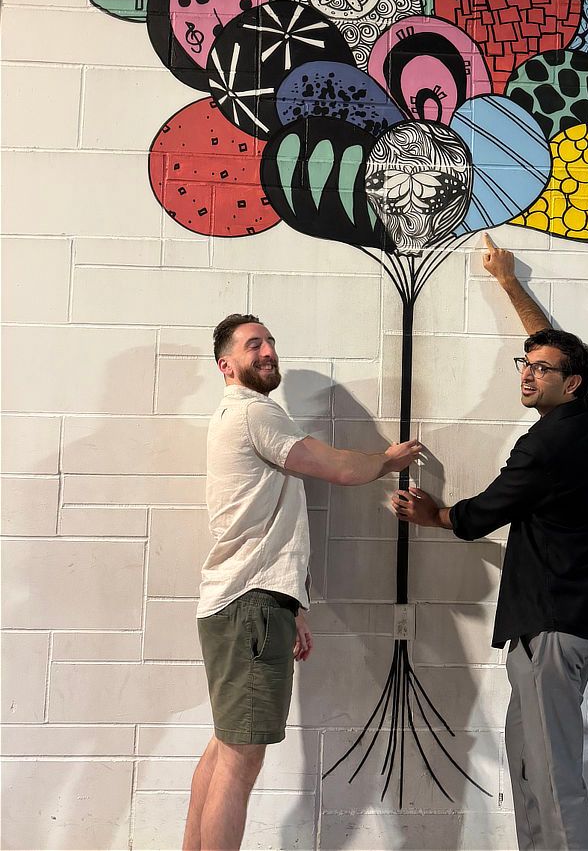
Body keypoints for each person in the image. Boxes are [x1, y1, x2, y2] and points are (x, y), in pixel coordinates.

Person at [392, 234, 588, 851]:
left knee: (551, 775)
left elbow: (481, 514)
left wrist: (433, 513)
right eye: (526, 364)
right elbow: (557, 346)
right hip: (558, 622)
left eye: (541, 370)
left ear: (570, 384)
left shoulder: (544, 446)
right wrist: (509, 282)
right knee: (530, 770)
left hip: (550, 625)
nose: (528, 373)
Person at [184, 313, 422, 851]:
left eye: (269, 340)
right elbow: (336, 467)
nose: (267, 350)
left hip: (242, 602)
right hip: (250, 605)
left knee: (226, 747)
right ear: (227, 366)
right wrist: (387, 460)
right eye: (253, 345)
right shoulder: (254, 412)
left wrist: (293, 606)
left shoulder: (233, 415)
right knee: (242, 761)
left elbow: (271, 526)